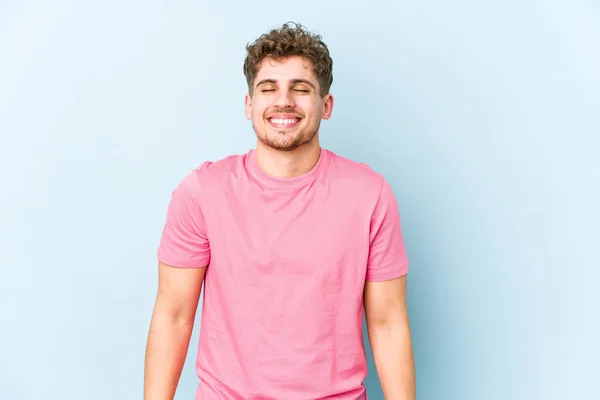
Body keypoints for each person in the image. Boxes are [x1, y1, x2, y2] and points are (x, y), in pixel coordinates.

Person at [144, 22, 415, 400]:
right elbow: (174, 314)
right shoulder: (202, 192)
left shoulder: (370, 194)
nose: (283, 101)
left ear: (327, 105)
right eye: (268, 88)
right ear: (248, 104)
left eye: (300, 89)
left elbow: (387, 323)